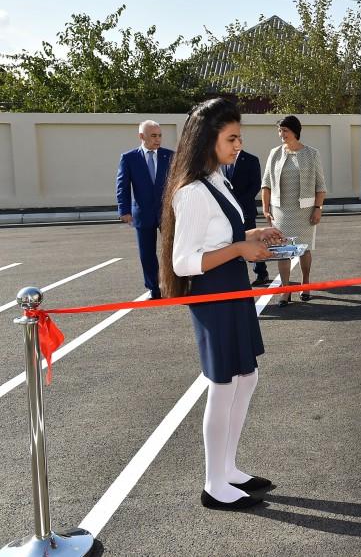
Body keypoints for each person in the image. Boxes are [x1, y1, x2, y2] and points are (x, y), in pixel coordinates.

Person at [159, 98, 283, 511]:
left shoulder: (218, 180)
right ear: (207, 140)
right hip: (214, 295)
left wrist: (258, 234)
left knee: (247, 377)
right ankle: (214, 483)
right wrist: (239, 250)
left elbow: (226, 235)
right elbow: (184, 261)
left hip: (234, 289)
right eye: (231, 138)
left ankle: (229, 468)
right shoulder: (192, 192)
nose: (238, 145)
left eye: (239, 137)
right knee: (224, 383)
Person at [261, 115, 327, 307]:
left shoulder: (311, 154)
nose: (282, 134)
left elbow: (320, 186)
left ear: (295, 131)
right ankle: (285, 290)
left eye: (285, 130)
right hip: (280, 210)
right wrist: (265, 209)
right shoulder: (274, 153)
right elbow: (265, 185)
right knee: (283, 251)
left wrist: (318, 208)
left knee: (304, 249)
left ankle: (305, 282)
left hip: (305, 211)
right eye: (280, 130)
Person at [117, 120, 173, 299]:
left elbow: (179, 184)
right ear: (141, 136)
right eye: (153, 136)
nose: (158, 140)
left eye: (160, 135)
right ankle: (153, 289)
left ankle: (175, 285)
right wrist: (124, 210)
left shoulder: (170, 156)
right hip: (142, 213)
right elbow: (122, 185)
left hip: (167, 213)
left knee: (172, 250)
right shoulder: (129, 158)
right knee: (147, 254)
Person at [224, 149, 271, 287]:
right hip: (228, 211)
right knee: (231, 242)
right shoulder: (223, 160)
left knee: (253, 241)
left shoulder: (251, 159)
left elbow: (255, 185)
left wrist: (238, 202)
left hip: (246, 209)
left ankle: (261, 273)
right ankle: (234, 276)